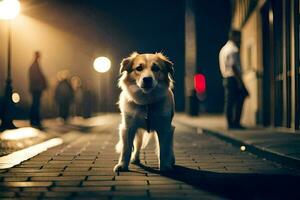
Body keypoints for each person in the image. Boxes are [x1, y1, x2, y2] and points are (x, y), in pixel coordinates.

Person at [219, 29, 249, 129]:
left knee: (230, 101)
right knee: (237, 100)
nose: (240, 39)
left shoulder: (224, 49)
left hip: (226, 78)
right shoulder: (233, 49)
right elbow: (233, 66)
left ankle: (231, 123)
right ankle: (235, 123)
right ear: (234, 37)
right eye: (239, 37)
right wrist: (240, 81)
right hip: (233, 78)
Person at [28, 51, 48, 129]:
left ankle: (35, 119)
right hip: (36, 88)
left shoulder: (35, 65)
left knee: (36, 103)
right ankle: (34, 119)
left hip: (36, 88)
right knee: (35, 103)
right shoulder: (34, 65)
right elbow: (36, 77)